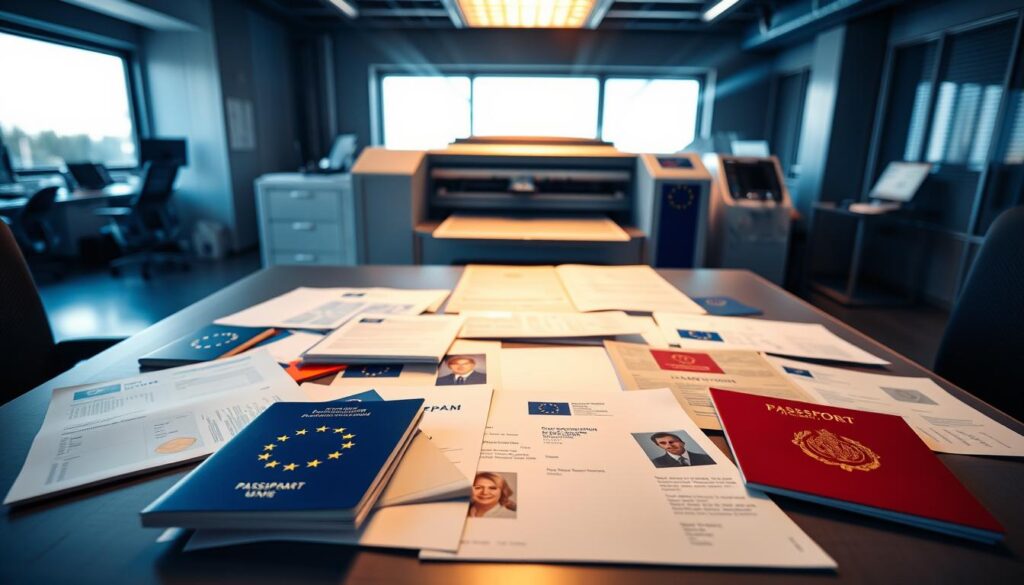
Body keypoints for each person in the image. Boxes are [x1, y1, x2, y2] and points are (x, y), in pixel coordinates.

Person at [649, 432, 715, 468]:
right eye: (663, 443)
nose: (669, 446)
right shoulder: (656, 463)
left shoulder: (706, 458)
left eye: (672, 441)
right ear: (659, 446)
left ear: (683, 443)